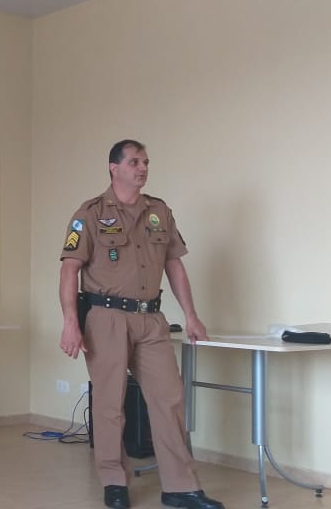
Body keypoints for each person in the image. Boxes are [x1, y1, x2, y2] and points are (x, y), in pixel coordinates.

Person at [59, 140, 223, 509]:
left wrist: (191, 315)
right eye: (134, 162)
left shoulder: (159, 212)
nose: (143, 168)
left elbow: (174, 265)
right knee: (109, 404)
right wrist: (71, 322)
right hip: (106, 317)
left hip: (151, 318)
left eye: (145, 161)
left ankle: (180, 487)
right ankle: (114, 482)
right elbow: (69, 270)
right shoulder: (90, 213)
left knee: (170, 399)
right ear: (114, 168)